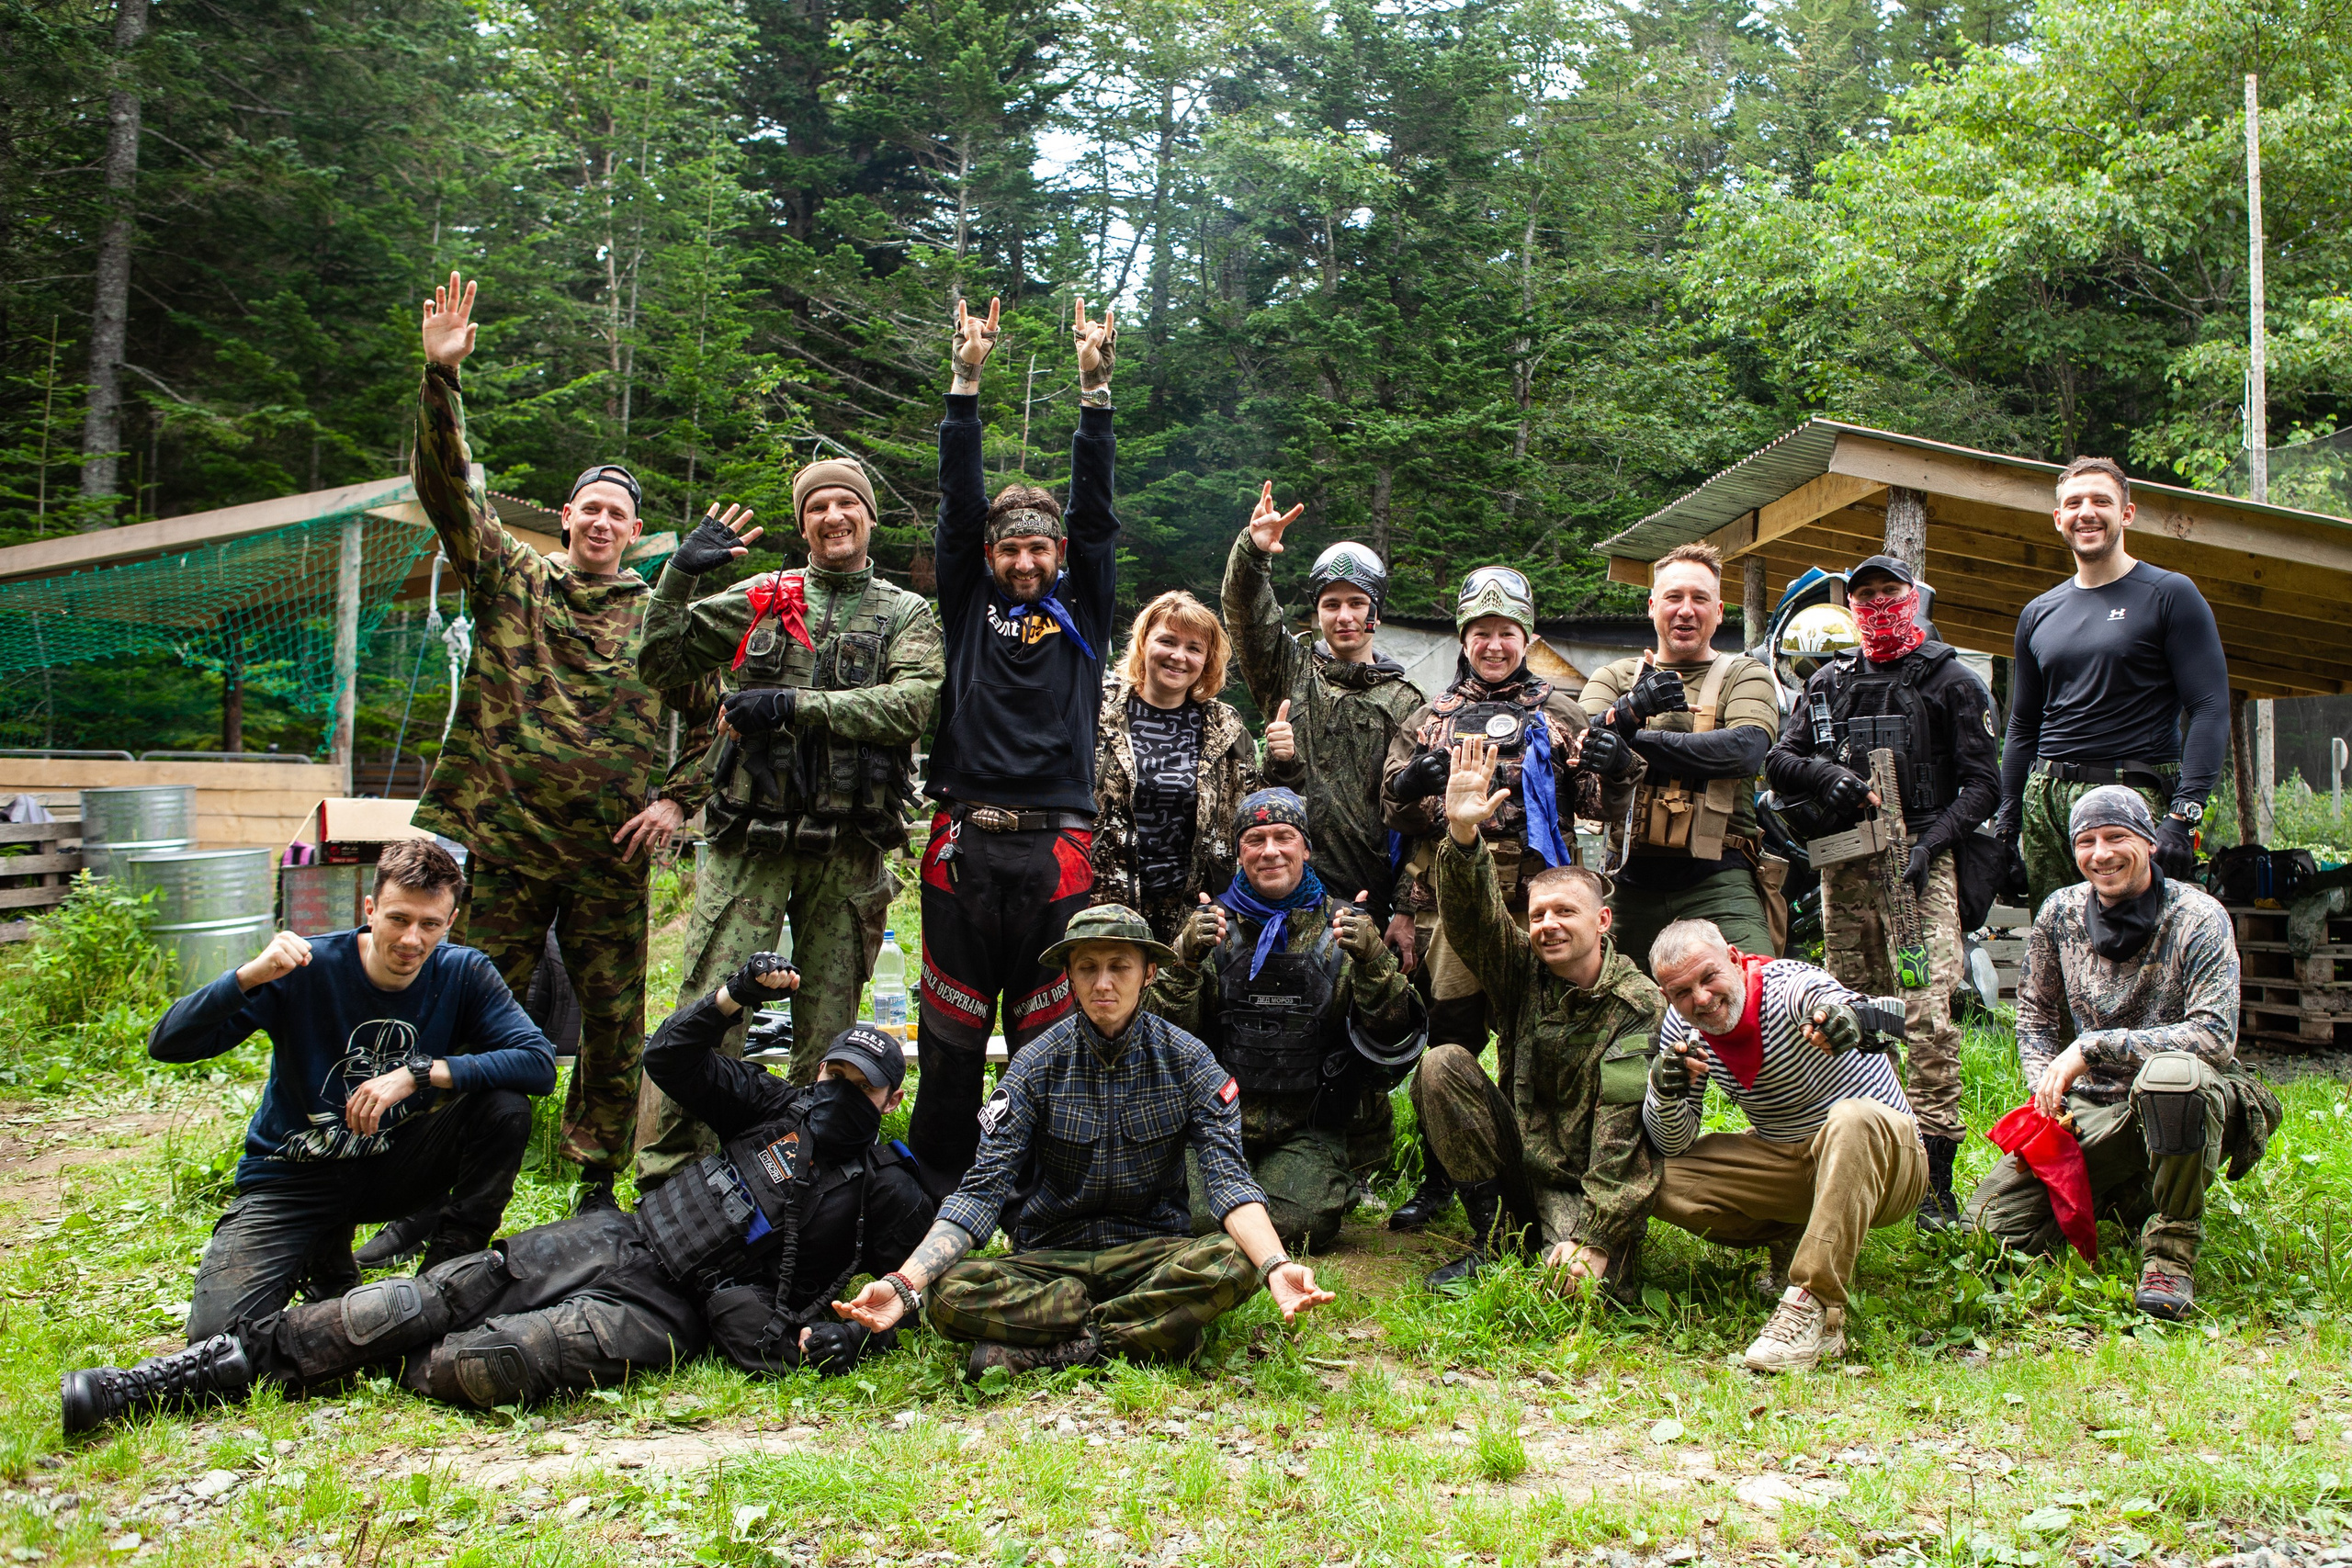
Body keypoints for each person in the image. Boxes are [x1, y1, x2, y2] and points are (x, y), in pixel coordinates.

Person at [60, 970, 935, 1433]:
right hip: (619, 1238)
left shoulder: (888, 1190)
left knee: (481, 1362)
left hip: (675, 1314)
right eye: (834, 1073)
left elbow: (921, 1279)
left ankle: (346, 1351)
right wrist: (728, 998)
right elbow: (668, 1058)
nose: (839, 1091)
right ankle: (179, 1378)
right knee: (420, 1300)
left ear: (890, 1097)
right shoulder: (777, 1104)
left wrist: (856, 1334)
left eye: (860, 1084)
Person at [403, 271, 710, 1219]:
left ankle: (595, 1187)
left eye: (619, 513)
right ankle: (438, 1187)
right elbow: (445, 492)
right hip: (505, 845)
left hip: (608, 859)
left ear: (635, 534)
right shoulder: (510, 579)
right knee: (469, 1007)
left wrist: (675, 800)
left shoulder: (657, 619)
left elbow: (715, 718)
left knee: (613, 1023)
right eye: (590, 508)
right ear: (567, 518)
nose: (603, 522)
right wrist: (442, 380)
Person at [832, 904, 1336, 1375]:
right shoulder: (1035, 1064)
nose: (1103, 983)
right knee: (946, 1292)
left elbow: (1230, 1183)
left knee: (1235, 1260)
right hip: (1050, 1262)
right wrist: (904, 1284)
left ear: (1149, 973)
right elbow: (981, 1192)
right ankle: (1151, 1335)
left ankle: (1056, 1347)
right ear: (1070, 977)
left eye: (1120, 967)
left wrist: (1276, 1266)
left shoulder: (1189, 1061)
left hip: (1151, 1256)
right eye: (1087, 968)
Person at [629, 458, 943, 1187]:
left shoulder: (904, 613)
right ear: (802, 525)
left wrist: (792, 705)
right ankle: (672, 1175)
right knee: (713, 1001)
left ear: (869, 516)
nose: (834, 517)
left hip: (850, 844)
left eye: (847, 504)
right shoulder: (764, 597)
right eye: (817, 507)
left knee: (830, 1029)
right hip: (752, 840)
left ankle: (808, 1174)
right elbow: (660, 660)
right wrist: (678, 576)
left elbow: (911, 704)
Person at [148, 841, 553, 1351]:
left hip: (393, 1166)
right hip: (293, 1176)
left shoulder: (462, 971)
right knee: (217, 1341)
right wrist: (249, 976)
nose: (411, 939)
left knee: (505, 1106)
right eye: (398, 919)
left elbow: (538, 1063)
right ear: (369, 908)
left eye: (429, 924)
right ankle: (327, 1265)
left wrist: (420, 1073)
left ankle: (446, 1276)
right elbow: (169, 1044)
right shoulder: (306, 967)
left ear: (450, 921)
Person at [910, 296, 1122, 1189]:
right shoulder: (968, 601)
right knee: (950, 1030)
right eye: (1010, 551)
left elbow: (1097, 515)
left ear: (1059, 553)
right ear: (989, 557)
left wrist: (1094, 394)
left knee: (1045, 1036)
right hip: (963, 840)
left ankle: (1038, 1192)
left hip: (1057, 848)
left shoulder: (1085, 606)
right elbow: (960, 504)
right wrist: (965, 381)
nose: (1025, 562)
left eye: (1039, 548)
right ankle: (931, 1191)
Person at [1383, 563, 1639, 1230]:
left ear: (1526, 636)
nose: (1493, 645)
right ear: (1463, 637)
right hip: (1455, 898)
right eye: (1481, 632)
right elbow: (1392, 809)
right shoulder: (1429, 717)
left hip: (1537, 899)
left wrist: (1617, 772)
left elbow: (1597, 806)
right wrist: (1412, 783)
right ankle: (1444, 1174)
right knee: (1452, 1033)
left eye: (1506, 632)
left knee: (1537, 1033)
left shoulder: (1561, 712)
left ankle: (1539, 1164)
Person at [1962, 787, 2278, 1319]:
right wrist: (2045, 1088)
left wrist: (2094, 1046)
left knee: (2171, 1077)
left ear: (2149, 842)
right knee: (1985, 1231)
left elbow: (2213, 1036)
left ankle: (2170, 1252)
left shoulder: (2198, 915)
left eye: (2116, 837)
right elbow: (2035, 1013)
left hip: (2189, 1093)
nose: (2101, 853)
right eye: (2086, 841)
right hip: (2093, 1104)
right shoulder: (2060, 912)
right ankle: (2131, 1193)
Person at [1764, 554, 2000, 1229]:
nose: (1876, 605)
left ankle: (1935, 1177)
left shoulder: (1953, 680)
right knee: (1854, 1012)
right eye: (1863, 595)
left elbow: (1985, 785)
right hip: (1847, 865)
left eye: (1888, 592)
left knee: (1925, 1012)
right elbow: (1779, 759)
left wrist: (1931, 843)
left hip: (1920, 864)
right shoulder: (1830, 681)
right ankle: (1868, 1153)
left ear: (1913, 595)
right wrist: (1827, 779)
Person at [1222, 487, 1427, 1199]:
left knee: (1357, 1023)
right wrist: (1254, 554)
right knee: (1281, 1009)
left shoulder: (1406, 702)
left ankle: (1360, 1156)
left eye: (1356, 603)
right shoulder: (1289, 671)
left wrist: (1405, 907)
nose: (1343, 615)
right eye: (1331, 603)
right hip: (1286, 883)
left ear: (1375, 613)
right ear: (1318, 612)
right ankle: (1265, 1136)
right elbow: (1246, 617)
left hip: (1365, 891)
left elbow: (1418, 819)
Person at [1408, 736, 1666, 1292]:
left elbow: (1622, 1133)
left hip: (1580, 1182)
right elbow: (1475, 921)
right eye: (1539, 914)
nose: (1548, 925)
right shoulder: (1522, 969)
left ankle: (1565, 1242)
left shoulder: (1636, 1004)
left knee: (1581, 1289)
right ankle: (1495, 1235)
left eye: (1565, 912)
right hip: (1516, 1164)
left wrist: (1596, 1236)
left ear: (1602, 922)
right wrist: (1463, 834)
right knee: (1442, 1064)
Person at [1148, 789, 1425, 1251]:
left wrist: (1374, 959)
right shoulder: (1211, 927)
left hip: (1306, 1123)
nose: (1270, 851)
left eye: (1284, 837)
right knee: (1195, 1219)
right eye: (1255, 840)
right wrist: (1183, 961)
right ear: (1240, 853)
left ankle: (1319, 1179)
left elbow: (1393, 1034)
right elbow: (1161, 1038)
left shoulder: (1344, 927)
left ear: (1306, 849)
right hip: (1217, 1122)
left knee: (1300, 1224)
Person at [1642, 919, 1924, 1373]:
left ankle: (1815, 1306)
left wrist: (1852, 1019)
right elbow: (1673, 1143)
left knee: (1852, 1118)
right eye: (1682, 992)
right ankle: (1795, 1237)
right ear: (1666, 995)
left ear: (1734, 958)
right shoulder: (1683, 1025)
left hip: (1887, 1165)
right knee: (1653, 1178)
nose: (1702, 999)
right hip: (1795, 1160)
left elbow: (1893, 1018)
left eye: (1709, 977)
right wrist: (1664, 1090)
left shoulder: (1791, 987)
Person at [1996, 457, 2229, 911]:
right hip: (2047, 802)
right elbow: (2022, 725)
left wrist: (2184, 814)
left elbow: (2210, 707)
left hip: (2132, 795)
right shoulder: (2038, 613)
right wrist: (2007, 827)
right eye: (2074, 503)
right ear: (2058, 518)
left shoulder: (2169, 594)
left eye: (2101, 501)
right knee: (2057, 936)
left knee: (2133, 939)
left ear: (2127, 513)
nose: (2087, 512)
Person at [1578, 541, 1781, 970]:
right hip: (1625, 879)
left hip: (1720, 877)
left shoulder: (1746, 674)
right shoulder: (1614, 677)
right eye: (1674, 597)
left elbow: (1743, 751)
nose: (1686, 610)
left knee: (1757, 989)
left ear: (1719, 611)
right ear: (1653, 606)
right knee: (1601, 994)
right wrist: (1632, 707)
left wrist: (1629, 741)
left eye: (1699, 599)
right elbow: (1581, 747)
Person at [1091, 591, 1261, 943]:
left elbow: (1256, 810)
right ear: (1143, 643)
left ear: (1207, 659)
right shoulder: (1096, 709)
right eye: (1167, 641)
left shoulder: (1225, 726)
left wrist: (1284, 764)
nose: (1178, 656)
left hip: (1194, 915)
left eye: (1194, 648)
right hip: (1103, 908)